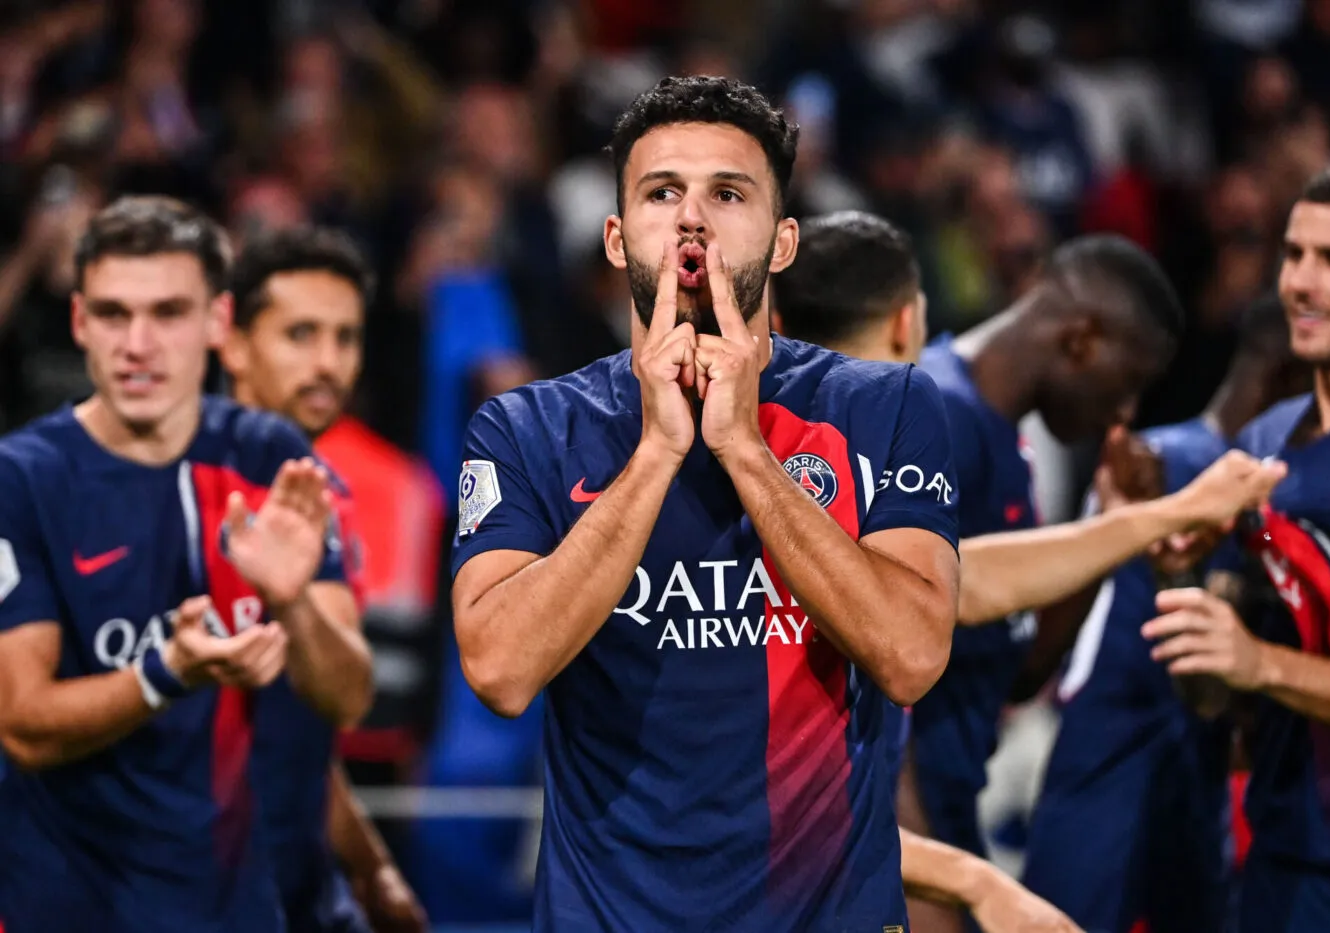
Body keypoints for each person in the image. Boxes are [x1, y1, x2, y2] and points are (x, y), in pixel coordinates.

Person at [451, 75, 962, 932]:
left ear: (785, 239)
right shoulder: (527, 428)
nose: (692, 218)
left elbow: (910, 654)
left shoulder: (886, 407)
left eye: (728, 193)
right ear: (617, 238)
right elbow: (501, 670)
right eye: (662, 193)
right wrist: (657, 452)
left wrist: (743, 448)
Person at [771, 210, 1284, 933]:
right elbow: (901, 641)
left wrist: (1116, 527)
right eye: (1129, 383)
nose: (1127, 411)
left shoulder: (995, 438)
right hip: (884, 828)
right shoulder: (929, 418)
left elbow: (1004, 638)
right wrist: (935, 879)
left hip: (929, 819)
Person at [0, 196, 352, 933]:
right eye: (112, 313)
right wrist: (166, 673)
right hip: (65, 907)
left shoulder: (271, 458)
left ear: (218, 323)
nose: (138, 342)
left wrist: (293, 603)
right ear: (78, 323)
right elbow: (22, 722)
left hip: (238, 909)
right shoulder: (19, 480)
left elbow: (345, 694)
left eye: (167, 312)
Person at [1145, 160, 1330, 932]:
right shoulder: (1261, 444)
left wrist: (1261, 663)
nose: (1301, 281)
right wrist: (1184, 572)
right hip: (1285, 861)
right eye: (1294, 254)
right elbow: (1217, 693)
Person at [1020, 296, 1308, 933]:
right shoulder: (1153, 465)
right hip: (1112, 747)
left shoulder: (1275, 483)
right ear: (1293, 376)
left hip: (1195, 762)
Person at [221, 226, 425, 933]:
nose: (327, 362)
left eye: (345, 337)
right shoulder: (182, 485)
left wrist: (369, 866)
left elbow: (302, 720)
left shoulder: (320, 495)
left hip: (291, 891)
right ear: (233, 341)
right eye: (300, 334)